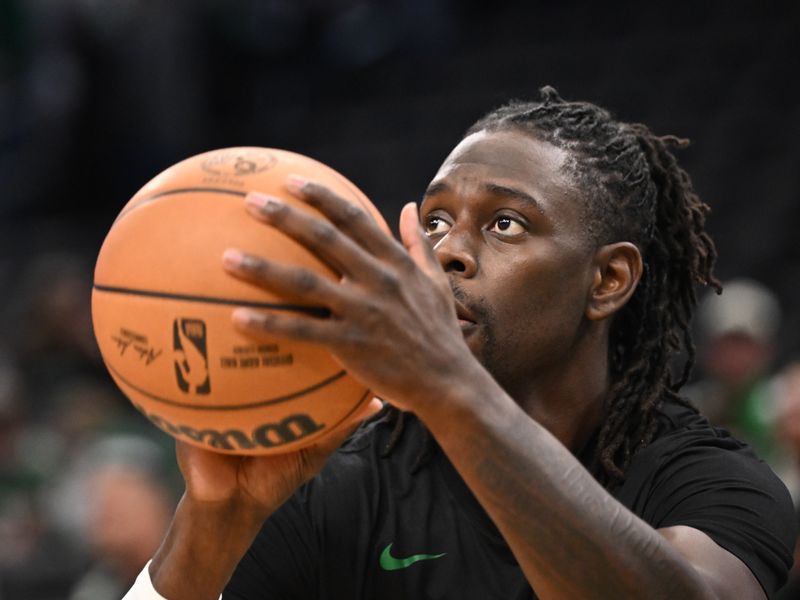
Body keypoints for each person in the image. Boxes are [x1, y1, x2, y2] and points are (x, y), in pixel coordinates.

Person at [125, 87, 795, 599]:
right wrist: (214, 527)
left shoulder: (705, 478)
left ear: (608, 280)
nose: (448, 251)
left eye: (505, 223)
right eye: (437, 218)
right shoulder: (342, 481)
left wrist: (451, 390)